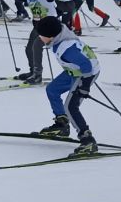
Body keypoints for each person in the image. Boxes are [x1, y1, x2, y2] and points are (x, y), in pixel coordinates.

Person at [32, 16, 100, 156]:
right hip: (74, 71)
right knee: (52, 90)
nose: (39, 37)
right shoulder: (59, 34)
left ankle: (87, 139)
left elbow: (87, 66)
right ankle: (62, 124)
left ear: (51, 36)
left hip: (86, 73)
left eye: (41, 35)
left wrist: (84, 86)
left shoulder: (66, 48)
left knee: (71, 106)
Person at [17, 0, 55, 84]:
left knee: (59, 50)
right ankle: (34, 72)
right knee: (30, 48)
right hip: (38, 26)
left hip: (51, 25)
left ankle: (37, 74)